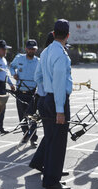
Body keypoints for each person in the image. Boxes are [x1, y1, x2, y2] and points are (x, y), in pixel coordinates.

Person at [40, 19, 73, 189]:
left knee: (51, 140)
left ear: (53, 33)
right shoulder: (60, 54)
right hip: (57, 100)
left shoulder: (46, 52)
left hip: (48, 97)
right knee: (58, 143)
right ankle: (52, 180)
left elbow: (40, 75)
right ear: (67, 35)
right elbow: (60, 84)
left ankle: (49, 176)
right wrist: (60, 109)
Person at [29, 32, 56, 172]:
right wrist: (47, 89)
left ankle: (43, 163)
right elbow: (38, 77)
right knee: (51, 135)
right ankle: (41, 163)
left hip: (44, 98)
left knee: (51, 135)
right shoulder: (48, 56)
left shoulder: (46, 55)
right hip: (47, 98)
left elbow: (38, 77)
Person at [10, 39, 40, 146]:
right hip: (20, 91)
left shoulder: (38, 61)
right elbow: (12, 66)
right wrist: (14, 74)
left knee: (32, 116)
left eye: (34, 49)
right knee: (22, 116)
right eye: (30, 49)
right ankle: (25, 135)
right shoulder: (19, 58)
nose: (32, 51)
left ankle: (33, 137)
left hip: (32, 92)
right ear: (26, 49)